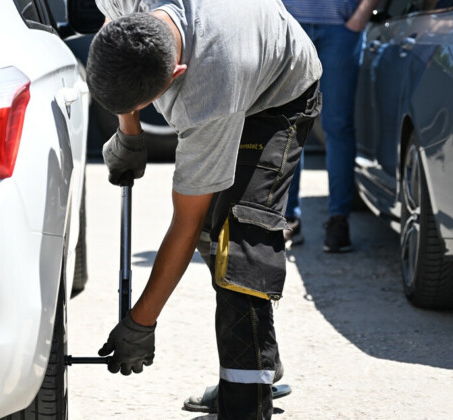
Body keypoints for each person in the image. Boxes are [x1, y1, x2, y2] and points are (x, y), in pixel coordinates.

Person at [86, 1, 321, 418]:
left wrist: (142, 321)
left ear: (176, 76)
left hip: (278, 95)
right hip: (234, 54)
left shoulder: (209, 93)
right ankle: (259, 360)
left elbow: (186, 224)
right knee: (216, 235)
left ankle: (246, 403)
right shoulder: (127, 6)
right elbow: (115, 32)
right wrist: (129, 132)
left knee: (238, 241)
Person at [283, 0, 380, 252]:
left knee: (337, 125)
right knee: (289, 125)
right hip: (290, 25)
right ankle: (287, 218)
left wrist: (361, 15)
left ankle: (339, 220)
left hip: (342, 27)